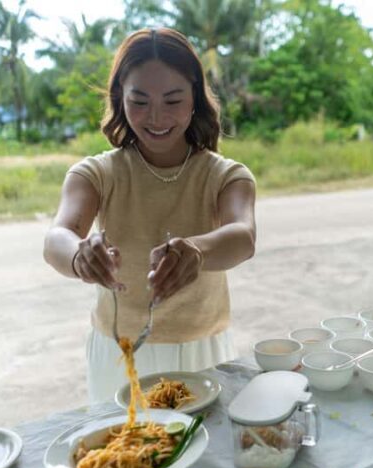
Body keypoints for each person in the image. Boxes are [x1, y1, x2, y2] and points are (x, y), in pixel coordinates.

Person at [43, 28, 257, 404]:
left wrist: (198, 251)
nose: (156, 117)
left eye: (172, 100)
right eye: (139, 101)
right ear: (120, 98)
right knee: (122, 456)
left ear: (195, 99)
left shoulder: (225, 175)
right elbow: (58, 235)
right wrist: (79, 255)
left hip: (202, 349)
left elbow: (243, 236)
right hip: (118, 349)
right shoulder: (96, 173)